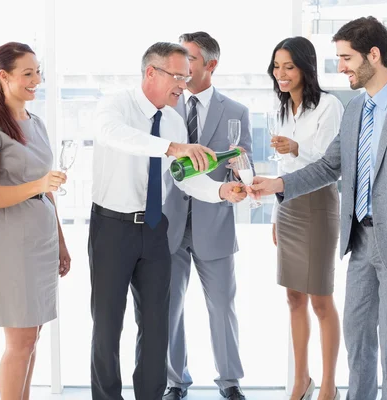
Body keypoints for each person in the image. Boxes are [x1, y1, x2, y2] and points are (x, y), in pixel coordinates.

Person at [248, 17, 387, 400]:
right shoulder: (355, 109)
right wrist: (279, 184)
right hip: (359, 241)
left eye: (346, 58)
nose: (340, 68)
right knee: (358, 340)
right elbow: (328, 166)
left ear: (373, 55)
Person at [90, 41, 246, 400]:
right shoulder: (116, 105)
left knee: (157, 325)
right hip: (112, 227)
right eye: (177, 76)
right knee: (108, 325)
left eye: (186, 76)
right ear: (151, 72)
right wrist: (172, 147)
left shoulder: (174, 120)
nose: (183, 84)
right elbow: (114, 136)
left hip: (156, 230)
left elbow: (184, 176)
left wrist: (221, 192)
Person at [0, 42, 69, 400]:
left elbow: (47, 188)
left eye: (37, 72)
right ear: (3, 76)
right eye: (27, 73)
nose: (36, 80)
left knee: (33, 335)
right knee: (20, 339)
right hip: (11, 243)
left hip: (41, 239)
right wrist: (40, 185)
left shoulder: (36, 122)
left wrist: (60, 241)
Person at [163, 31, 252, 400]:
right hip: (168, 225)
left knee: (222, 308)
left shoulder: (236, 112)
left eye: (191, 58)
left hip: (214, 223)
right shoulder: (166, 108)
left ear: (210, 65)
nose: (182, 65)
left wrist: (241, 170)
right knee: (169, 309)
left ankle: (230, 383)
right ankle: (174, 382)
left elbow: (242, 165)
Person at [267, 37, 344, 400]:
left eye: (289, 66)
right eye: (277, 66)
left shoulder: (329, 106)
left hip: (317, 205)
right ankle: (301, 381)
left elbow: (330, 163)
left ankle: (328, 386)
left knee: (320, 299)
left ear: (305, 68)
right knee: (293, 298)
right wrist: (275, 213)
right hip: (288, 206)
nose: (281, 74)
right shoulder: (281, 108)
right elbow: (281, 168)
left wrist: (297, 146)